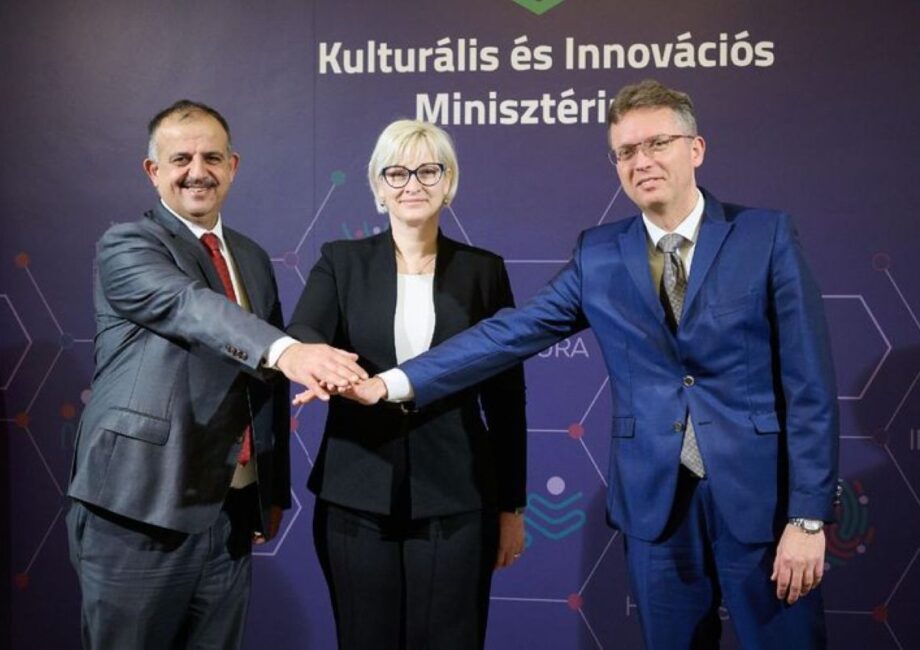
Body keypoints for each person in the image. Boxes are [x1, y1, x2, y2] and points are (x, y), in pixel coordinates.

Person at [316, 81, 840, 648]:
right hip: (656, 510)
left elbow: (809, 386)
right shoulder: (600, 253)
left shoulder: (764, 236)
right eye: (626, 151)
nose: (642, 161)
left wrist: (807, 518)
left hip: (763, 506)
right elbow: (507, 334)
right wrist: (393, 383)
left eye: (657, 143)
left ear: (696, 149)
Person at [66, 99, 366, 650]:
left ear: (233, 165)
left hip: (229, 514)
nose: (197, 171)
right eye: (180, 159)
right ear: (153, 171)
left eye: (212, 157)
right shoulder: (127, 244)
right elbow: (191, 306)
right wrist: (289, 351)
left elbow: (262, 380)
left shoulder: (250, 256)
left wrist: (270, 489)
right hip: (138, 509)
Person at [287, 119, 527, 650]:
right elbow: (303, 333)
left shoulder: (484, 271)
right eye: (396, 173)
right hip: (355, 492)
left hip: (458, 497)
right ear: (378, 186)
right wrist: (321, 363)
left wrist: (512, 506)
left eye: (427, 171)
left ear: (449, 181)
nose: (412, 184)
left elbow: (507, 399)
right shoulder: (341, 262)